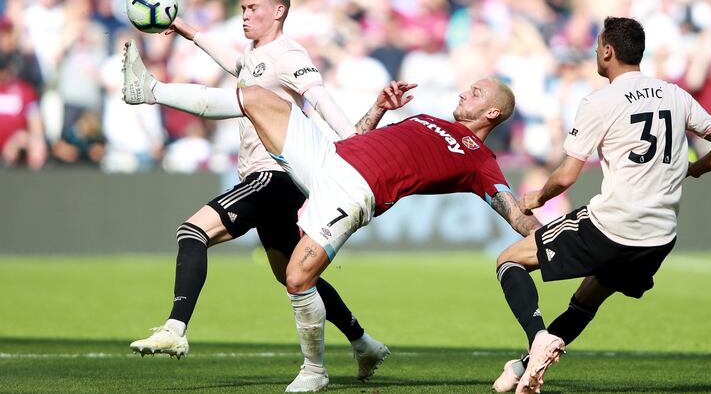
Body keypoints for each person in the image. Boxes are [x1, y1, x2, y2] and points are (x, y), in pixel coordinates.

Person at [123, 33, 538, 391]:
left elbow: (513, 213)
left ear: (492, 113)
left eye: (477, 92)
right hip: (327, 156)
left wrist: (552, 234)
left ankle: (315, 370)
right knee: (256, 97)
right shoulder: (427, 118)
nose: (465, 92)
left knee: (296, 276)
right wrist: (379, 108)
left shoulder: (479, 159)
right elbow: (359, 136)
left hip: (352, 192)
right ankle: (149, 90)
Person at [124, 0, 394, 390]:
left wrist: (354, 142)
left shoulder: (289, 54)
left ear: (279, 11)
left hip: (275, 174)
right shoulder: (256, 52)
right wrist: (186, 30)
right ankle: (364, 343)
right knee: (295, 274)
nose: (245, 15)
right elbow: (237, 65)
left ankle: (175, 327)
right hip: (268, 176)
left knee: (192, 230)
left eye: (253, 8)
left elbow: (318, 95)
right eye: (244, 7)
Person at [490, 17, 711, 394]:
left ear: (607, 51)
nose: (594, 52)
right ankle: (525, 366)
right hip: (659, 237)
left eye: (596, 47)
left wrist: (535, 198)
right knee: (586, 300)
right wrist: (692, 170)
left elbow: (566, 177)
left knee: (508, 260)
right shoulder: (675, 94)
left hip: (613, 225)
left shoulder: (600, 100)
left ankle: (537, 336)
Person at [0, 52, 47, 170]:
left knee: (36, 146)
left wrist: (29, 140)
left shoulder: (25, 91)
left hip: (14, 149)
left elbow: (36, 124)